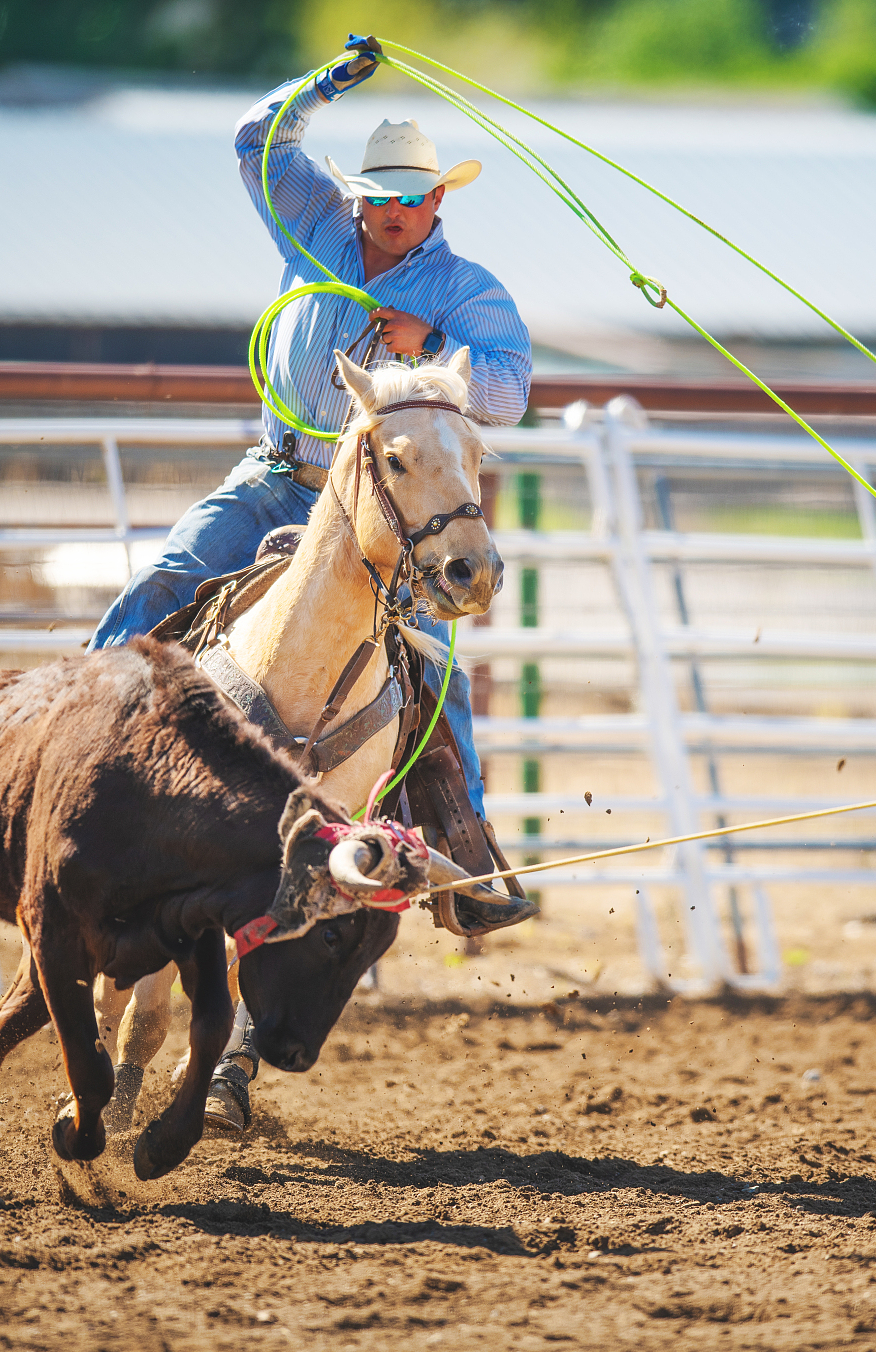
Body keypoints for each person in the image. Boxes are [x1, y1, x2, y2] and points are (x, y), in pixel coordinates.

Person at [88, 34, 531, 1132]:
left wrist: (434, 349)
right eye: (379, 198)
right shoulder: (315, 222)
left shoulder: (469, 292)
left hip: (387, 514)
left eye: (407, 201)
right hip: (286, 474)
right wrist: (325, 84)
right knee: (168, 577)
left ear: (436, 203)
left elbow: (510, 395)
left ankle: (462, 855)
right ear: (364, 196)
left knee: (433, 670)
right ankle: (77, 742)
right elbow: (254, 137)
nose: (388, 215)